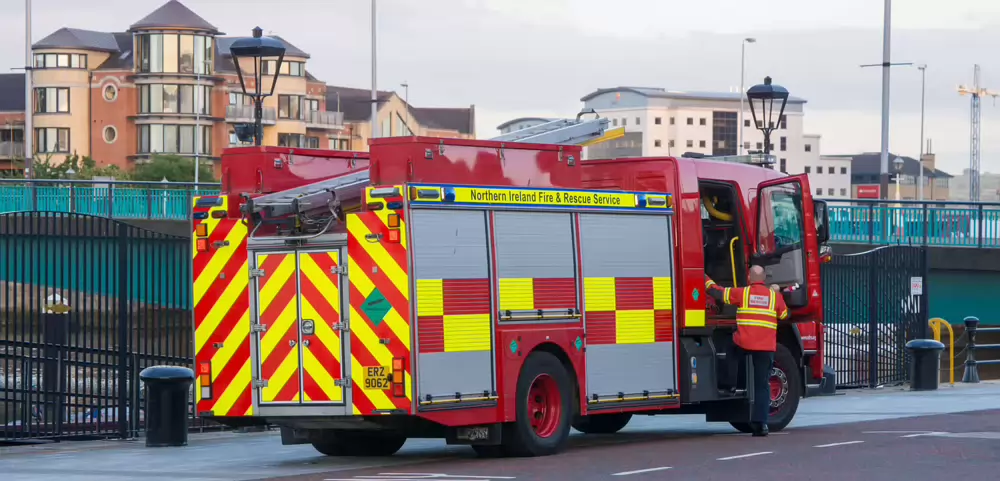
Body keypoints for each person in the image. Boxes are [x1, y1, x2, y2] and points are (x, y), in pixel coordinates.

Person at [705, 265, 789, 437]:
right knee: (762, 385)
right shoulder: (774, 297)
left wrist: (704, 277)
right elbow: (784, 315)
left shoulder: (743, 293)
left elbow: (718, 293)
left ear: (749, 278)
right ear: (764, 279)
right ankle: (760, 426)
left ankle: (730, 385)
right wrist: (778, 294)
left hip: (744, 343)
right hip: (765, 347)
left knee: (729, 349)